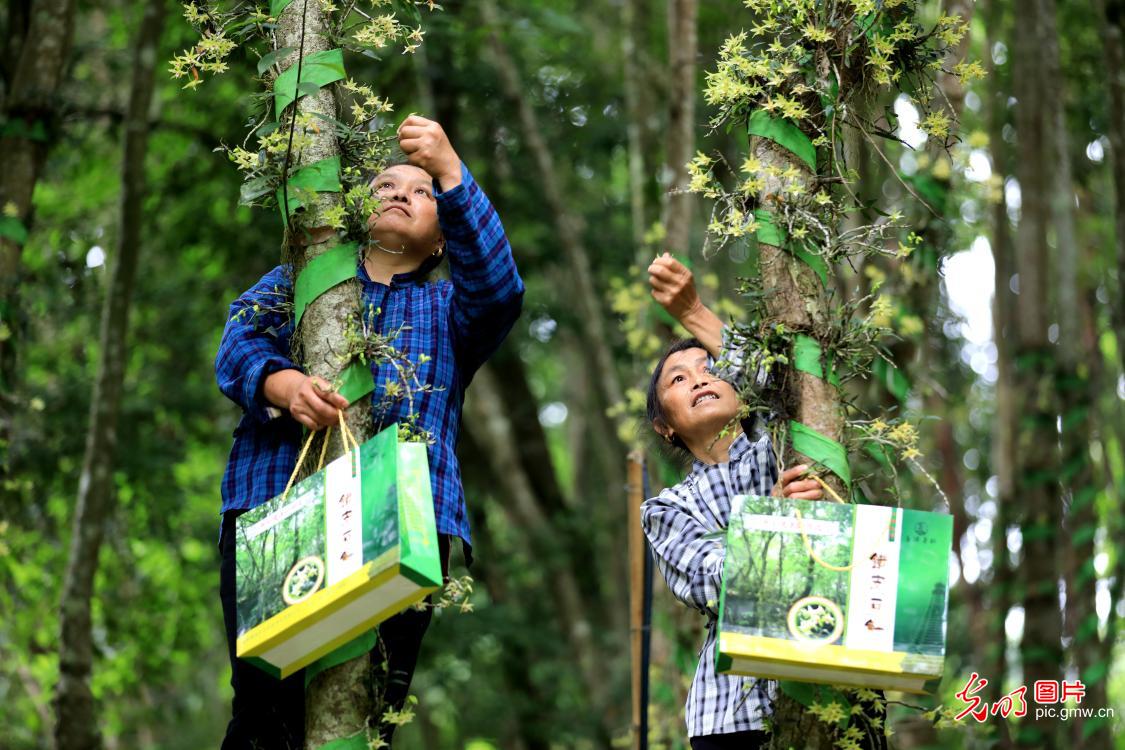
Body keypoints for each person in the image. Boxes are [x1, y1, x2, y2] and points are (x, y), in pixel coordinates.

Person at [214, 115, 524, 748]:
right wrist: (286, 386)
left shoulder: (449, 309)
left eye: (421, 192)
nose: (401, 193)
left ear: (443, 240)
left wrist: (451, 169)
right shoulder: (302, 284)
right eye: (385, 185)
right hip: (277, 497)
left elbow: (498, 290)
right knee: (264, 712)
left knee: (367, 709)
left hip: (404, 515)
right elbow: (237, 341)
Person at [643, 253, 823, 750]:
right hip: (731, 715)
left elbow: (787, 380)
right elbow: (708, 582)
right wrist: (773, 518)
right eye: (678, 379)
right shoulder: (668, 508)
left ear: (740, 391)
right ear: (666, 426)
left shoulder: (785, 444)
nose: (699, 379)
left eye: (710, 368)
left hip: (834, 676)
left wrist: (693, 309)